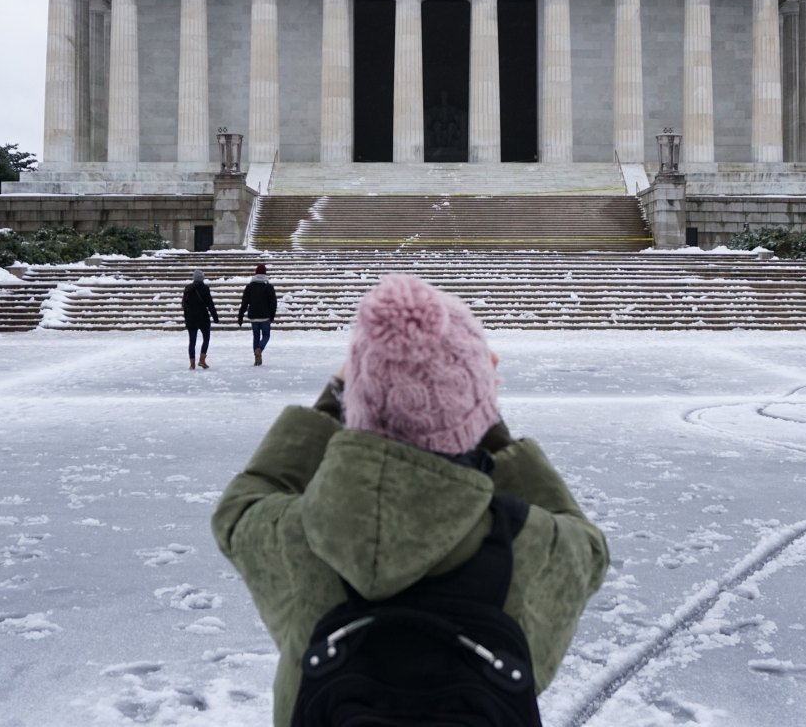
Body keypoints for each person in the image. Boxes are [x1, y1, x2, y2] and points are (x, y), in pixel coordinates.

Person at [212, 273, 609, 726]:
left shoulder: (299, 539)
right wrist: (485, 415)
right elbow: (586, 547)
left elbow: (242, 504)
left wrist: (337, 393)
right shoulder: (531, 545)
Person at [237, 263, 278, 366]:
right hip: (265, 317)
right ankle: (259, 349)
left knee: (256, 336)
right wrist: (272, 315)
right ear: (265, 273)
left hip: (253, 316)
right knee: (266, 335)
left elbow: (244, 302)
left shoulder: (250, 286)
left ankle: (256, 358)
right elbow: (273, 302)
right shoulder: (268, 287)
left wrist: (240, 315)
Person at [182, 269, 220, 370]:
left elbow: (184, 305)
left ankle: (192, 364)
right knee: (206, 339)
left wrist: (186, 317)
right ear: (202, 278)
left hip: (191, 318)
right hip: (203, 318)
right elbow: (210, 304)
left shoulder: (187, 288)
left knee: (192, 342)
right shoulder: (205, 288)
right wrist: (215, 317)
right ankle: (202, 360)